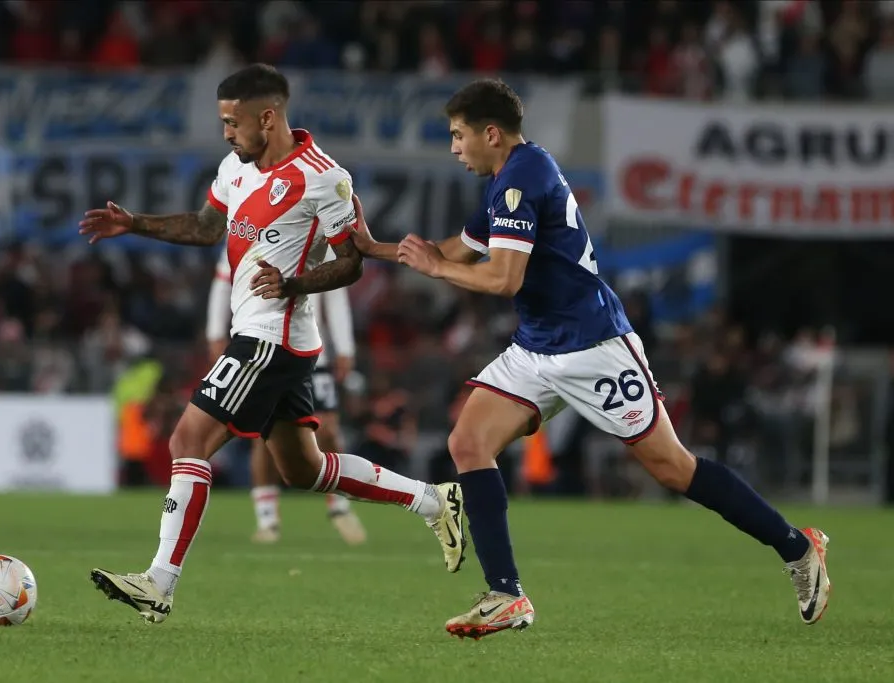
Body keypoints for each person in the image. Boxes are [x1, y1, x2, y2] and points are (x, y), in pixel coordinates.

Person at [349, 79, 831, 639]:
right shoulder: (507, 176)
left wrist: (437, 272)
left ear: (490, 133)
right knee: (468, 442)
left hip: (593, 346)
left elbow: (503, 278)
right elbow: (455, 250)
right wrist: (374, 248)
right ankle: (507, 596)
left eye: (458, 136)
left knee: (673, 467)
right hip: (537, 347)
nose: (454, 148)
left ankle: (798, 548)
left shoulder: (522, 178)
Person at [78, 64, 465, 624]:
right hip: (270, 336)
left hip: (271, 337)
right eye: (222, 122)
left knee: (187, 438)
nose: (227, 133)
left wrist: (293, 284)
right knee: (303, 470)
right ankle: (434, 500)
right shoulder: (235, 169)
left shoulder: (324, 177)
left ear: (268, 116)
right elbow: (207, 228)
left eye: (233, 122)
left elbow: (351, 261)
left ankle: (158, 582)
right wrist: (135, 222)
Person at [206, 247, 367, 544]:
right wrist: (215, 331)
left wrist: (344, 347)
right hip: (263, 345)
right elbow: (223, 279)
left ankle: (339, 507)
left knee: (328, 429)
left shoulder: (322, 229)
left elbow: (335, 291)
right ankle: (267, 519)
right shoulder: (250, 224)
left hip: (313, 349)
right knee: (262, 435)